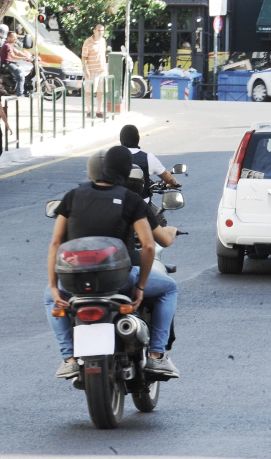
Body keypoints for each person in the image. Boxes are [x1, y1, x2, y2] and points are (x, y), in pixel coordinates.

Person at [45, 146, 180, 379]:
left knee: (49, 299)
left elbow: (55, 243)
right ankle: (157, 356)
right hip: (120, 281)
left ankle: (68, 358)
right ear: (128, 171)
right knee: (169, 288)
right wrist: (139, 287)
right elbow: (149, 245)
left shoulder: (73, 196)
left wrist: (55, 287)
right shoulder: (130, 199)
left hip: (76, 282)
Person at [120, 124, 180, 201]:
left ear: (121, 140)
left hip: (119, 204)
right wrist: (174, 183)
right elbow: (167, 177)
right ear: (137, 139)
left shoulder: (114, 156)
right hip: (142, 204)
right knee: (158, 213)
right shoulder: (148, 157)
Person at [81, 24, 107, 118]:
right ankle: (89, 111)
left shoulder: (103, 41)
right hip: (91, 71)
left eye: (102, 30)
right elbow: (84, 57)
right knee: (89, 92)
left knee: (101, 91)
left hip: (102, 71)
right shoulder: (88, 42)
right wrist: (85, 69)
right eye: (99, 30)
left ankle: (99, 111)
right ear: (94, 31)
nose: (101, 32)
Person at [0, 31, 32, 97]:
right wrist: (24, 58)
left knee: (22, 69)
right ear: (9, 37)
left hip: (10, 63)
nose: (15, 39)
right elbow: (12, 56)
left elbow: (17, 52)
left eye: (16, 37)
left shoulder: (10, 45)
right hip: (7, 64)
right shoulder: (7, 45)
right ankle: (20, 94)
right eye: (14, 38)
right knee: (20, 76)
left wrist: (28, 55)